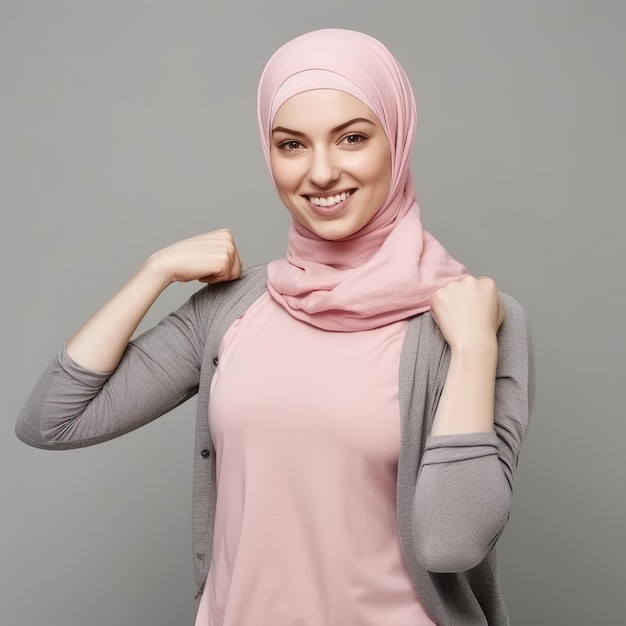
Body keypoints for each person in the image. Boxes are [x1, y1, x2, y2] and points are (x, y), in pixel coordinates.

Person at [16, 28, 534, 626]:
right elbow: (51, 420)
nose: (320, 172)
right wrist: (152, 273)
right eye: (292, 145)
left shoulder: (477, 320)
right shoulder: (232, 308)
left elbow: (451, 542)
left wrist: (471, 349)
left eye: (353, 139)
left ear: (398, 138)